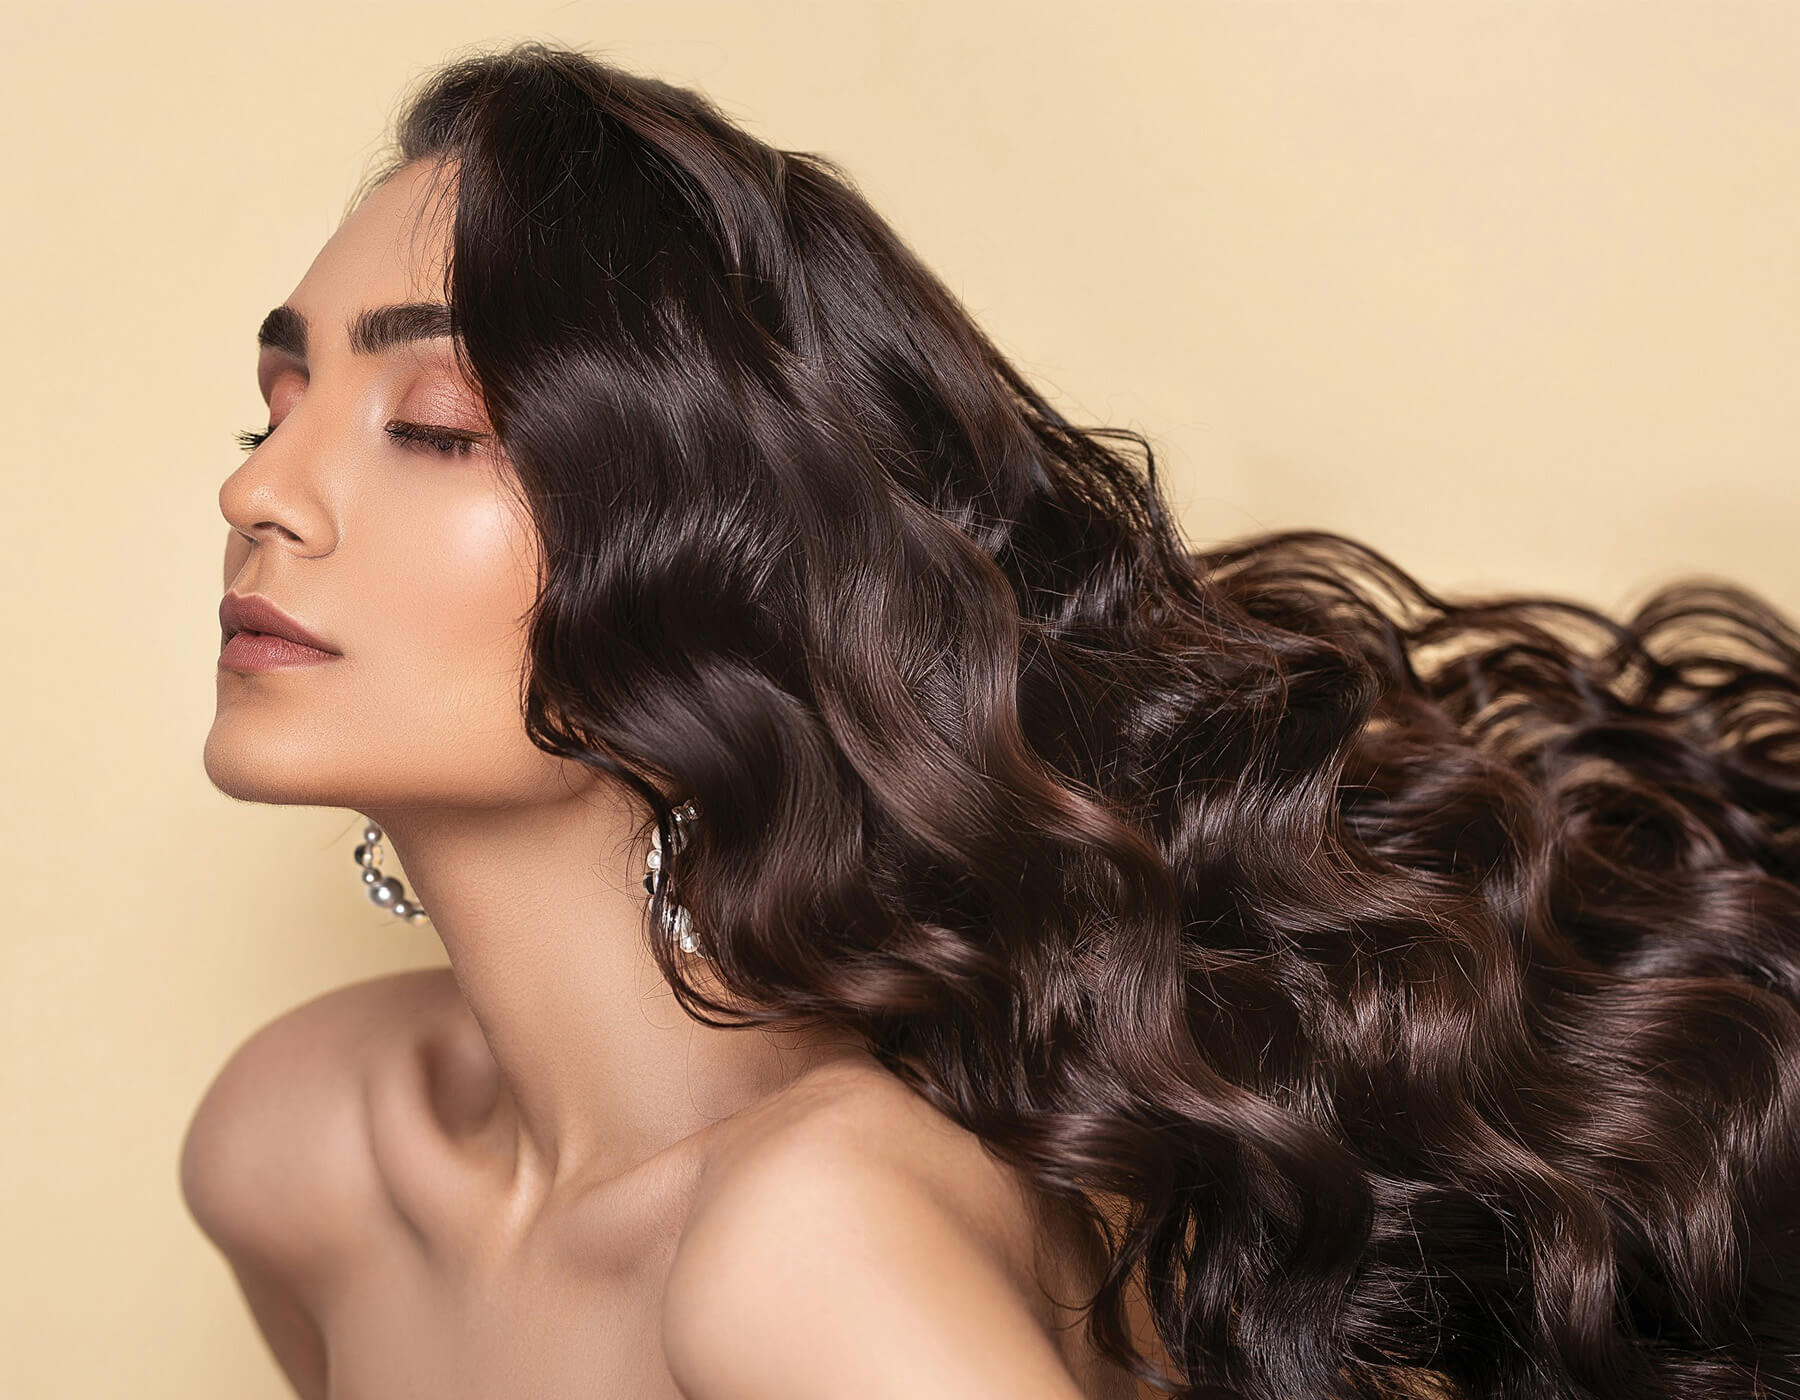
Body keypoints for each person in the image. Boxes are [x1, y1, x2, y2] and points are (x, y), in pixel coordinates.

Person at [180, 40, 1800, 1400]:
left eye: (437, 425)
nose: (262, 493)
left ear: (726, 562)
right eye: (278, 406)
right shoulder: (304, 1151)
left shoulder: (806, 1247)